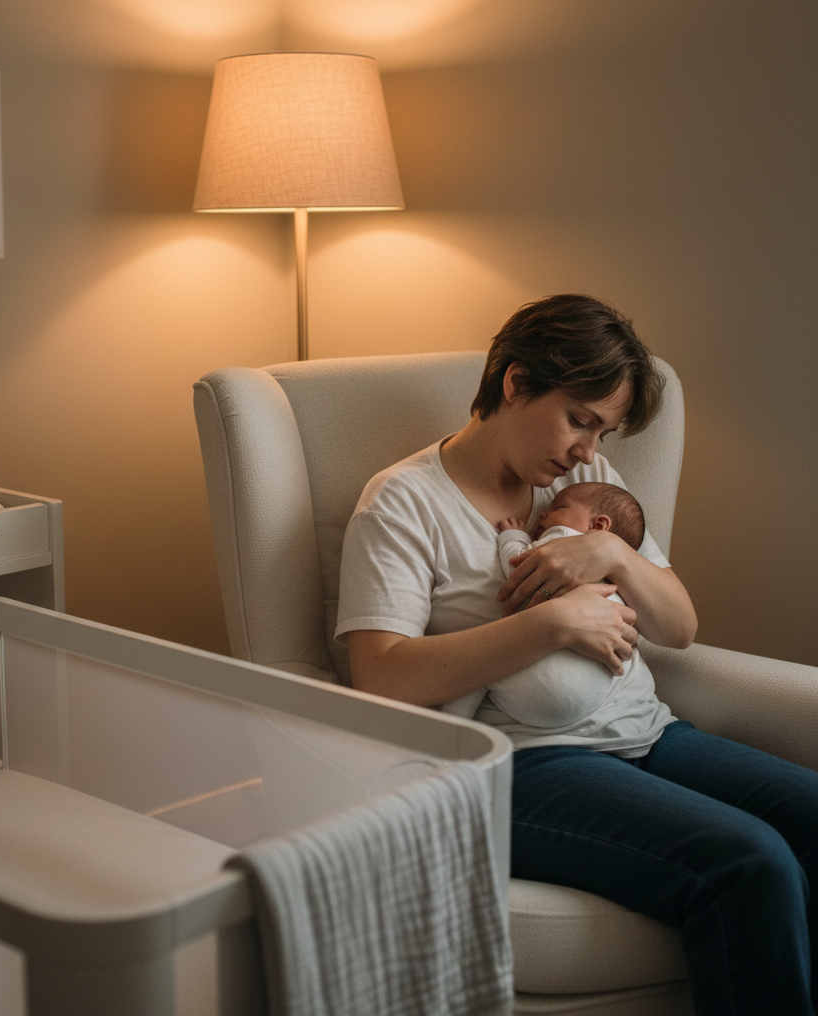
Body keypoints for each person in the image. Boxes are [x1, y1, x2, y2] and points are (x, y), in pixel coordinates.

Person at [335, 293, 818, 1015]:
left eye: (603, 432)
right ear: (516, 381)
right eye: (580, 420)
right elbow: (377, 675)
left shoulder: (588, 489)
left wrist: (607, 552)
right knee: (749, 862)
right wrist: (551, 626)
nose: (587, 451)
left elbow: (679, 625)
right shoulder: (403, 503)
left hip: (650, 733)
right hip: (527, 762)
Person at [444, 481, 650, 728]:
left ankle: (447, 733)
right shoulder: (622, 572)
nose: (544, 513)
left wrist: (513, 537)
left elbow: (519, 571)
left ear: (598, 526)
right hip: (600, 694)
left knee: (477, 674)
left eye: (559, 507)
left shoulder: (567, 538)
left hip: (552, 693)